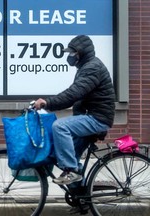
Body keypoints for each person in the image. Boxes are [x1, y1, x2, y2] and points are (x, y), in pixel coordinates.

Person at [34, 35, 115, 185]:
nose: (70, 56)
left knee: (60, 126)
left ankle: (70, 171)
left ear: (81, 53)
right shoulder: (85, 67)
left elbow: (73, 94)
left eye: (72, 53)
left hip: (97, 118)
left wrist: (47, 102)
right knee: (71, 156)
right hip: (91, 116)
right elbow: (79, 98)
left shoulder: (92, 68)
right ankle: (81, 198)